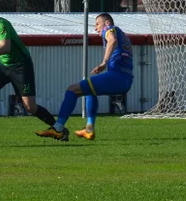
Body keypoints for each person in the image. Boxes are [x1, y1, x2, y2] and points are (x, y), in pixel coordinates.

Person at [0, 0, 58, 143]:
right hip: (5, 66)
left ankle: (58, 127)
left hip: (21, 65)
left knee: (30, 107)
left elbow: (6, 47)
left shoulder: (1, 24)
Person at [40, 13, 134, 141]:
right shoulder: (124, 35)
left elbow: (112, 40)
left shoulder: (110, 28)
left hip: (116, 76)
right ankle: (89, 129)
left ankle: (58, 128)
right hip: (126, 79)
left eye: (97, 24)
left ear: (106, 23)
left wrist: (104, 62)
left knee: (72, 90)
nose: (96, 28)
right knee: (89, 90)